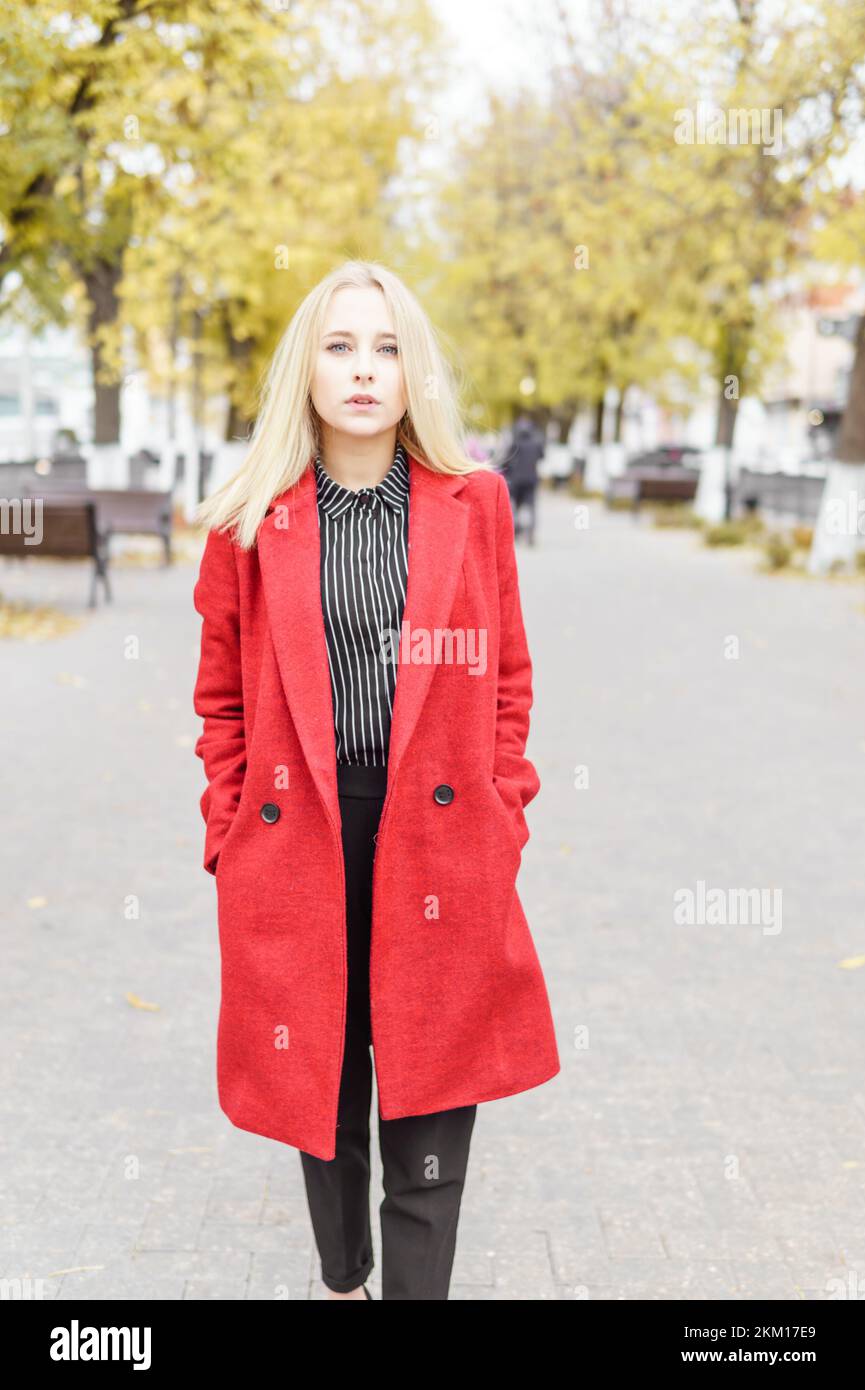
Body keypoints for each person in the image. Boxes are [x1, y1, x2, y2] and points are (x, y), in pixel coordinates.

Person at [191, 260, 560, 1301]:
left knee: (431, 1084)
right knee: (321, 1073)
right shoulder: (249, 518)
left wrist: (500, 809)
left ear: (415, 372)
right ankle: (343, 1273)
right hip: (298, 829)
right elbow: (218, 696)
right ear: (304, 369)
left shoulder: (470, 503)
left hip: (437, 830)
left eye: (387, 347)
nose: (364, 370)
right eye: (341, 346)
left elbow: (509, 675)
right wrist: (230, 830)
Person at [501, 412, 545, 544]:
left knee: (516, 506)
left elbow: (506, 461)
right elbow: (542, 457)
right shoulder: (536, 444)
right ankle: (531, 532)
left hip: (517, 481)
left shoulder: (516, 444)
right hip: (531, 480)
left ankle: (517, 529)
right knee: (531, 507)